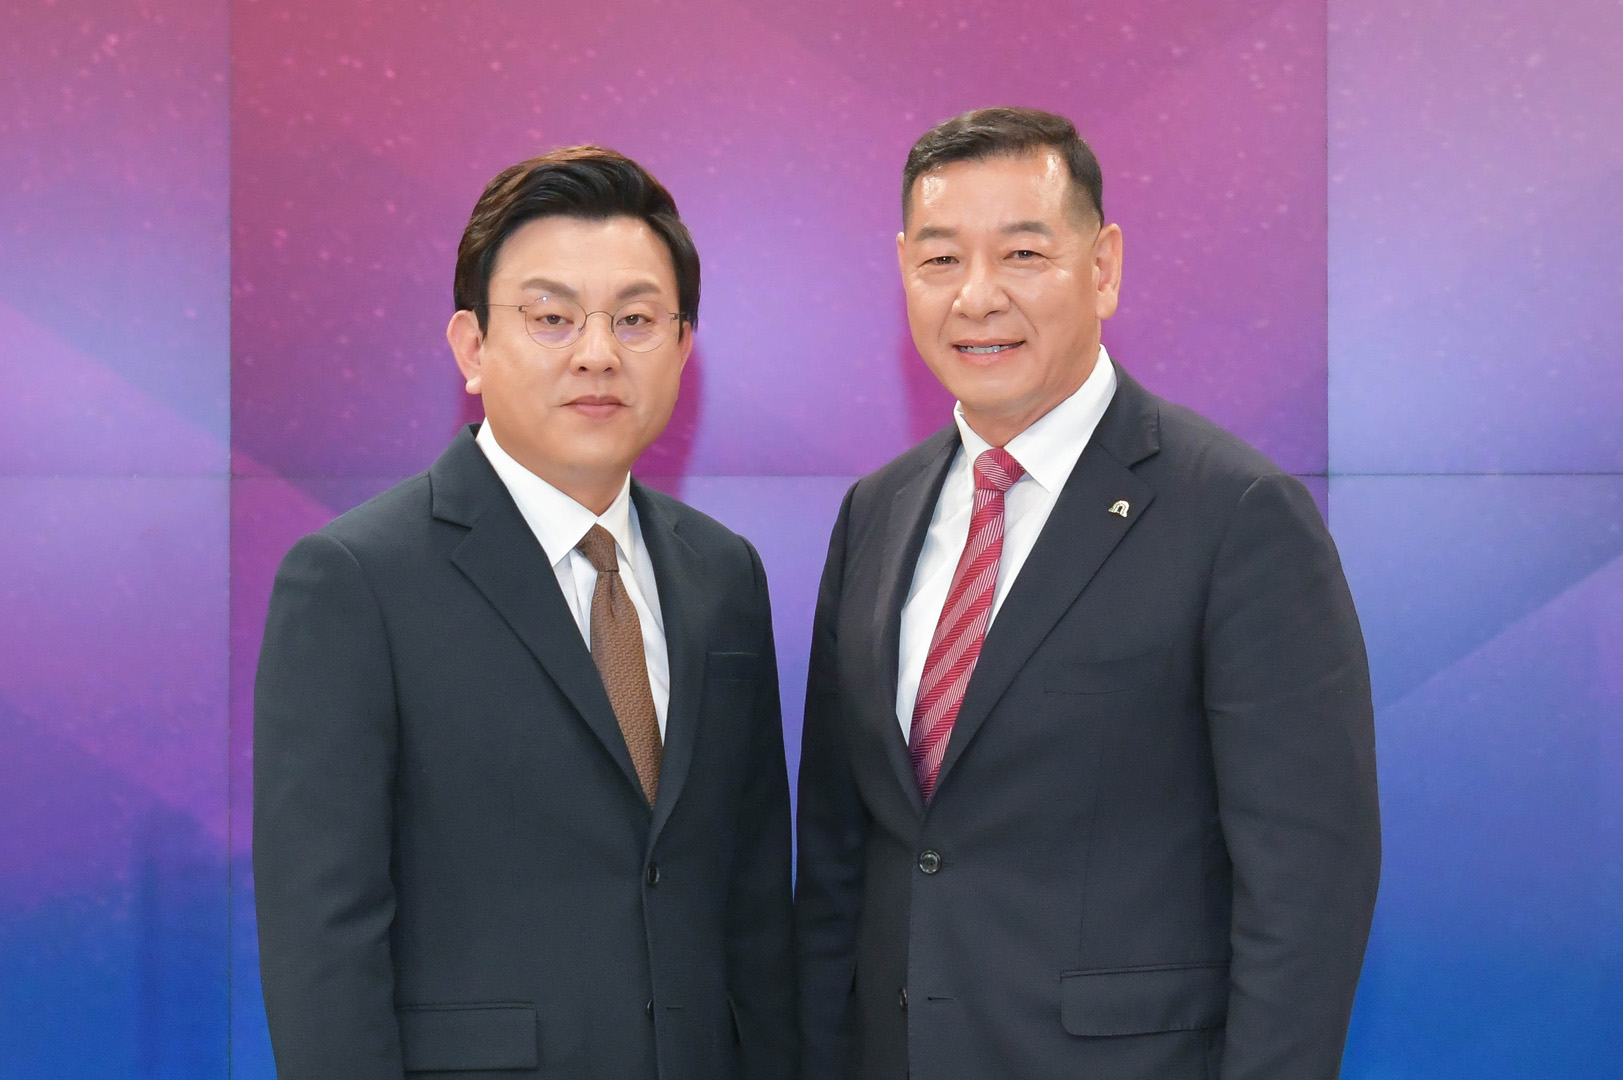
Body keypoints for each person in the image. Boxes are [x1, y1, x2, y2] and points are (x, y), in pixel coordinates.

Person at [795, 107, 1380, 1080]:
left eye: (1022, 254)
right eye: (940, 260)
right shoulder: (876, 513)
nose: (977, 296)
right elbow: (835, 861)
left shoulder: (1235, 513)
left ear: (1102, 267)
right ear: (902, 271)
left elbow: (1308, 885)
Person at [254, 146, 795, 1080]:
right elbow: (322, 941)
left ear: (682, 348)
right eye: (551, 317)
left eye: (636, 319)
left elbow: (750, 902)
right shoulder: (354, 581)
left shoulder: (723, 574)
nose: (597, 353)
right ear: (471, 347)